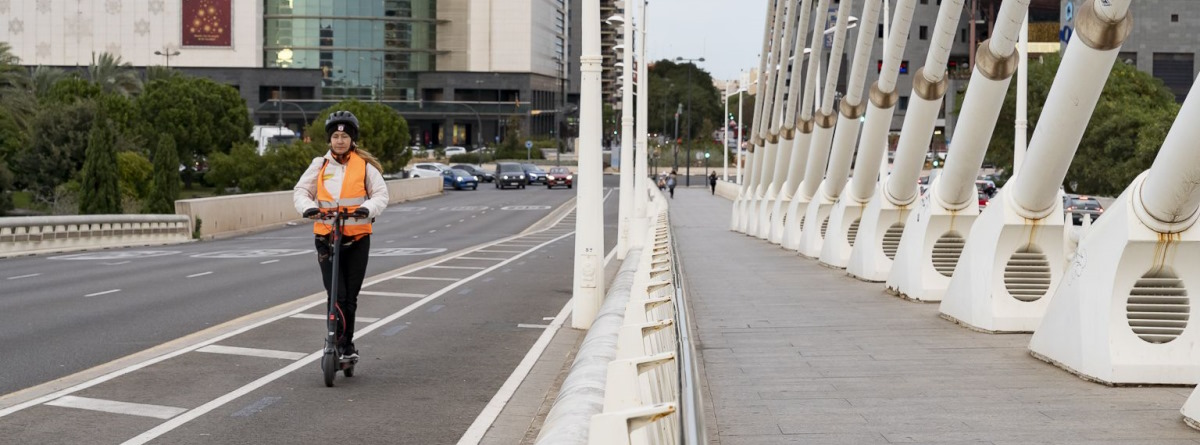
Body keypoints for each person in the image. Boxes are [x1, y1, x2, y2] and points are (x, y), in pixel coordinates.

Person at [294, 111, 389, 360]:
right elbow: (301, 190)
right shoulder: (320, 165)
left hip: (357, 238)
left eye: (344, 136)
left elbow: (381, 194)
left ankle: (347, 345)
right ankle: (333, 340)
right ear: (329, 140)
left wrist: (366, 209)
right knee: (336, 293)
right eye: (335, 136)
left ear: (352, 139)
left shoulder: (365, 167)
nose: (339, 140)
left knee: (351, 296)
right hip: (327, 236)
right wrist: (308, 208)